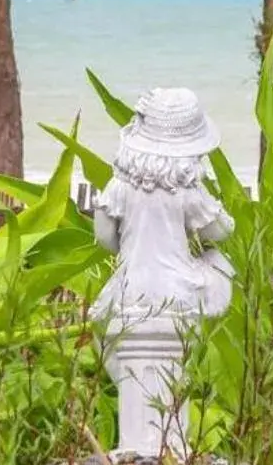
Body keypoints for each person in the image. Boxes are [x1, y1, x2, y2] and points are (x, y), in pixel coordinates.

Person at [90, 87, 234, 325]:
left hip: (130, 289)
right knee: (219, 262)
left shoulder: (118, 184)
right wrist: (226, 220)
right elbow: (218, 231)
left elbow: (104, 235)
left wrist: (135, 253)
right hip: (179, 291)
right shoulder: (186, 188)